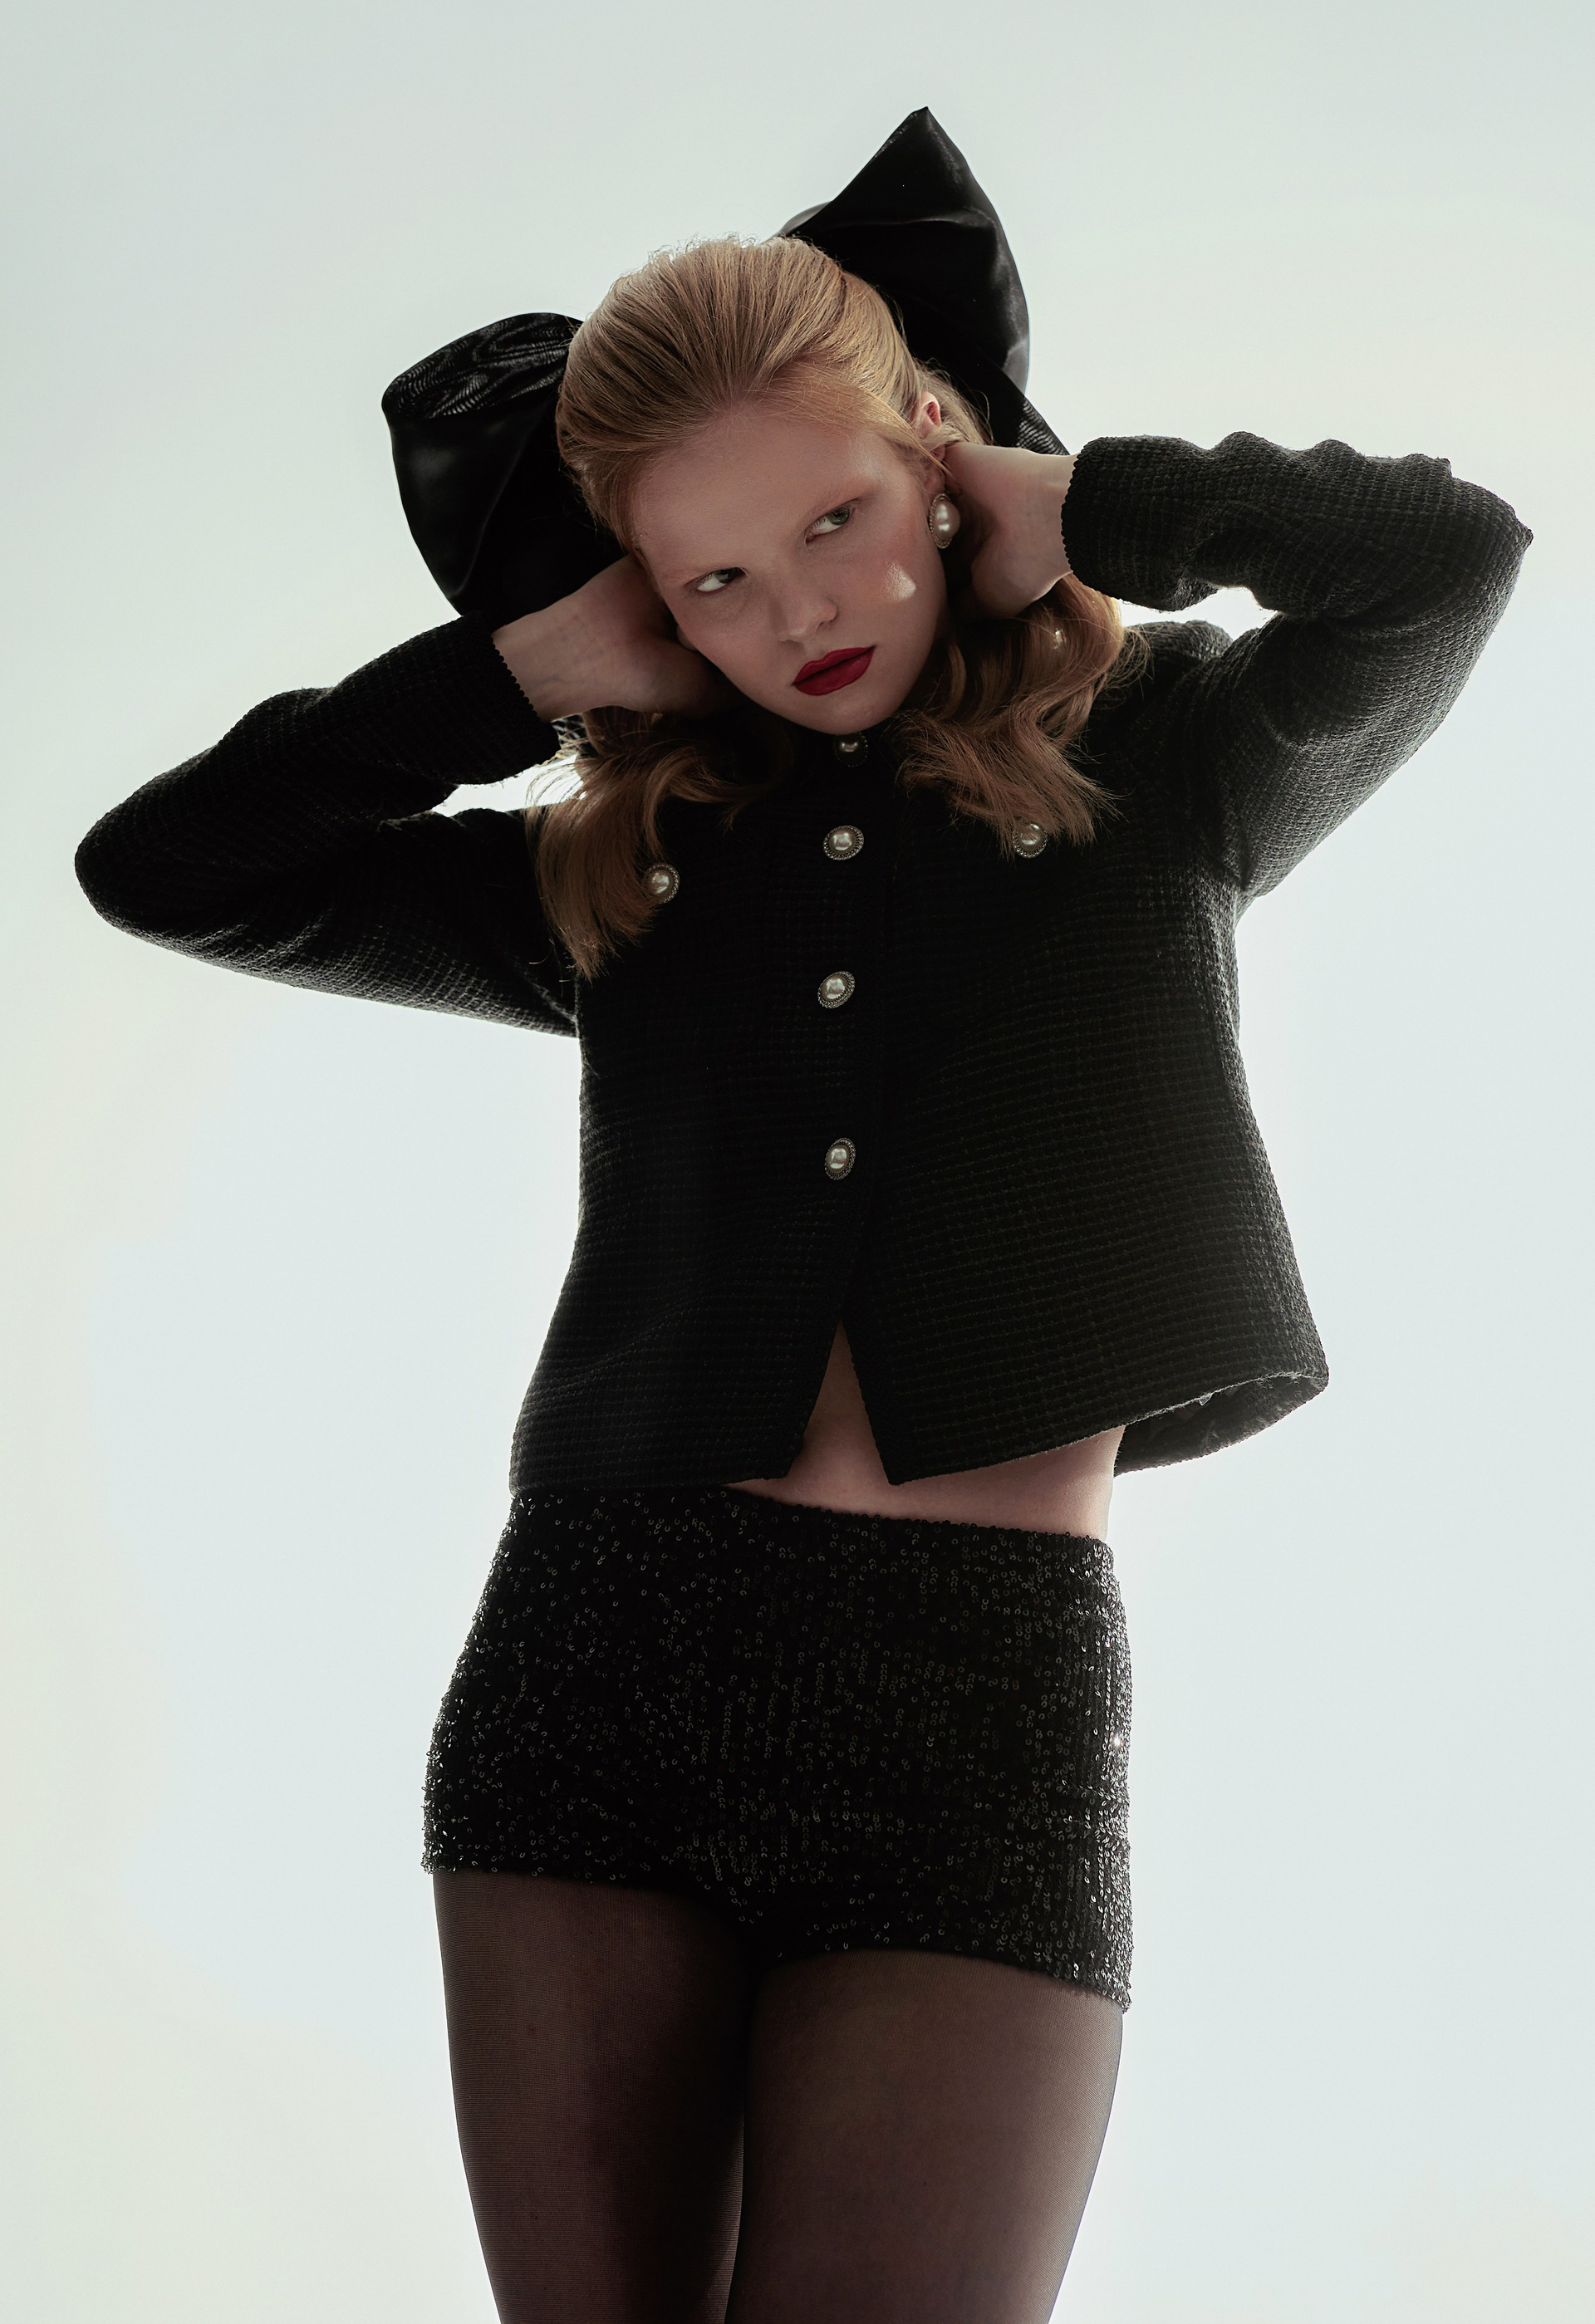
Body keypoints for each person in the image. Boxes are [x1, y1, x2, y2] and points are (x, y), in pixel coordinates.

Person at [75, 114, 1531, 2324]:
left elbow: (1444, 558)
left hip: (982, 1709)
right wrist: (511, 677)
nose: (798, 616)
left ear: (937, 457)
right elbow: (168, 866)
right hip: (601, 1662)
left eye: (834, 521)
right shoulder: (621, 872)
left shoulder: (1174, 768)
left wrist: (1097, 502)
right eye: (712, 584)